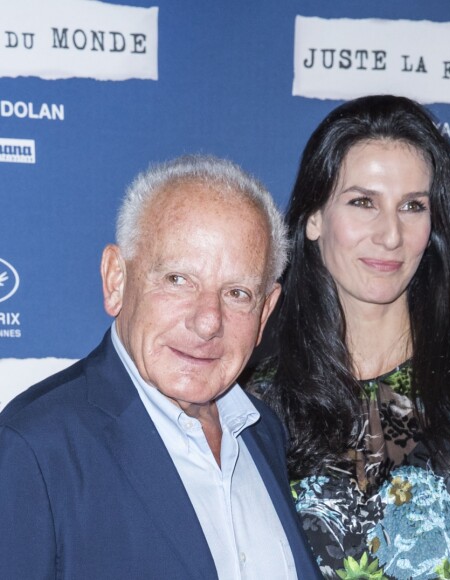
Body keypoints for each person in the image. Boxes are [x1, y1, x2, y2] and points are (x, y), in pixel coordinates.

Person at [248, 96, 450, 579]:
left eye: (412, 206)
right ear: (314, 218)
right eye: (363, 202)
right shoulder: (256, 397)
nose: (390, 234)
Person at [0, 155, 322, 579]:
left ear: (265, 313)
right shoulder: (35, 447)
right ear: (116, 279)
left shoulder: (263, 432)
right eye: (178, 279)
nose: (208, 320)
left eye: (238, 293)